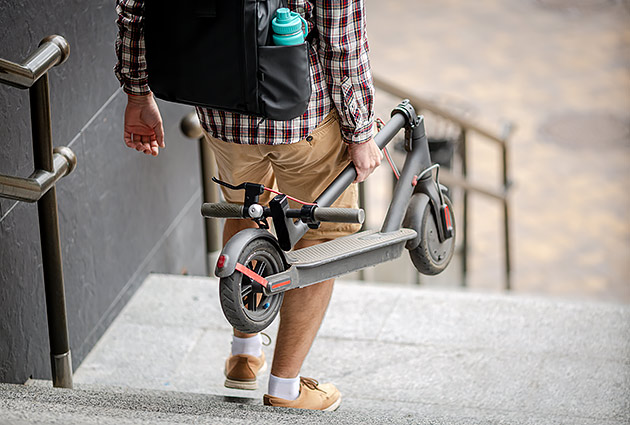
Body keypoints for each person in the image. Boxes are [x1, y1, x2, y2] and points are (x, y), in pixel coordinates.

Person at [115, 0, 381, 411]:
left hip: (221, 111)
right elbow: (341, 39)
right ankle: (286, 387)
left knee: (244, 209)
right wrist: (361, 130)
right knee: (322, 234)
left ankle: (244, 351)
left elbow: (133, 8)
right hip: (300, 116)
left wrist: (137, 93)